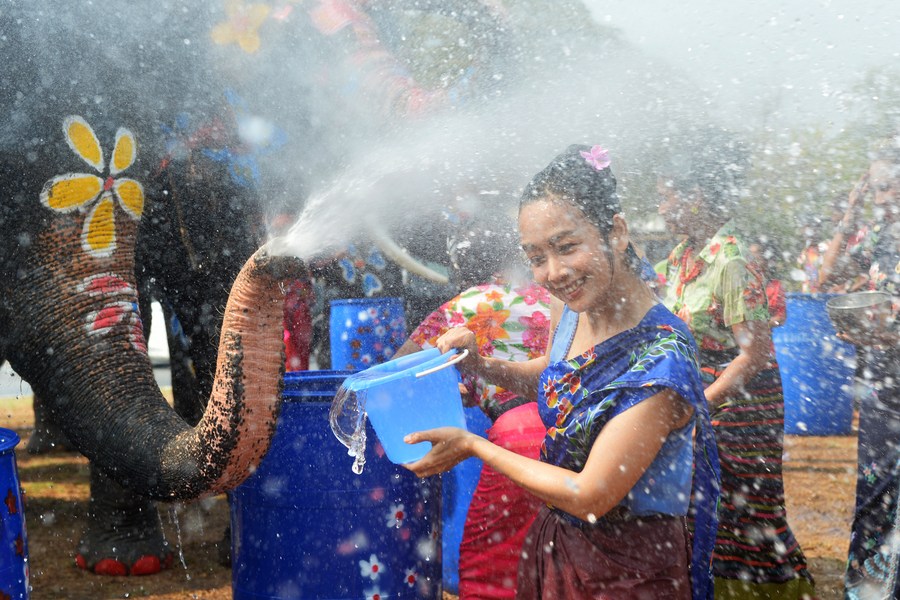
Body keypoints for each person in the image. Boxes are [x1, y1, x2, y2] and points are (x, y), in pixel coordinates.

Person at [403, 144, 721, 599]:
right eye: (536, 257)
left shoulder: (660, 359)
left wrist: (474, 445)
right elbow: (556, 377)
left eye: (567, 247)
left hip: (630, 568)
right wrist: (480, 365)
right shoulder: (571, 307)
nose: (553, 273)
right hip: (560, 548)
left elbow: (590, 495)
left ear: (617, 232)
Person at [656, 126, 816, 599]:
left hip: (741, 402)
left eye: (666, 197)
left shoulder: (731, 261)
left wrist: (700, 405)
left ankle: (764, 591)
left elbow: (754, 352)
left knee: (743, 508)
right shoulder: (682, 257)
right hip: (703, 393)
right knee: (702, 505)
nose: (661, 208)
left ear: (695, 198)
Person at [395, 210, 551, 599]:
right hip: (567, 434)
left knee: (491, 570)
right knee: (550, 563)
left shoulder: (465, 305)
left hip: (516, 438)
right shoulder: (553, 297)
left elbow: (400, 372)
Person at [825, 136, 900, 599]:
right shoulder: (879, 236)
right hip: (880, 391)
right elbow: (827, 275)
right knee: (873, 496)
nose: (882, 198)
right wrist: (850, 213)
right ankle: (869, 591)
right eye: (875, 190)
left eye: (890, 187)